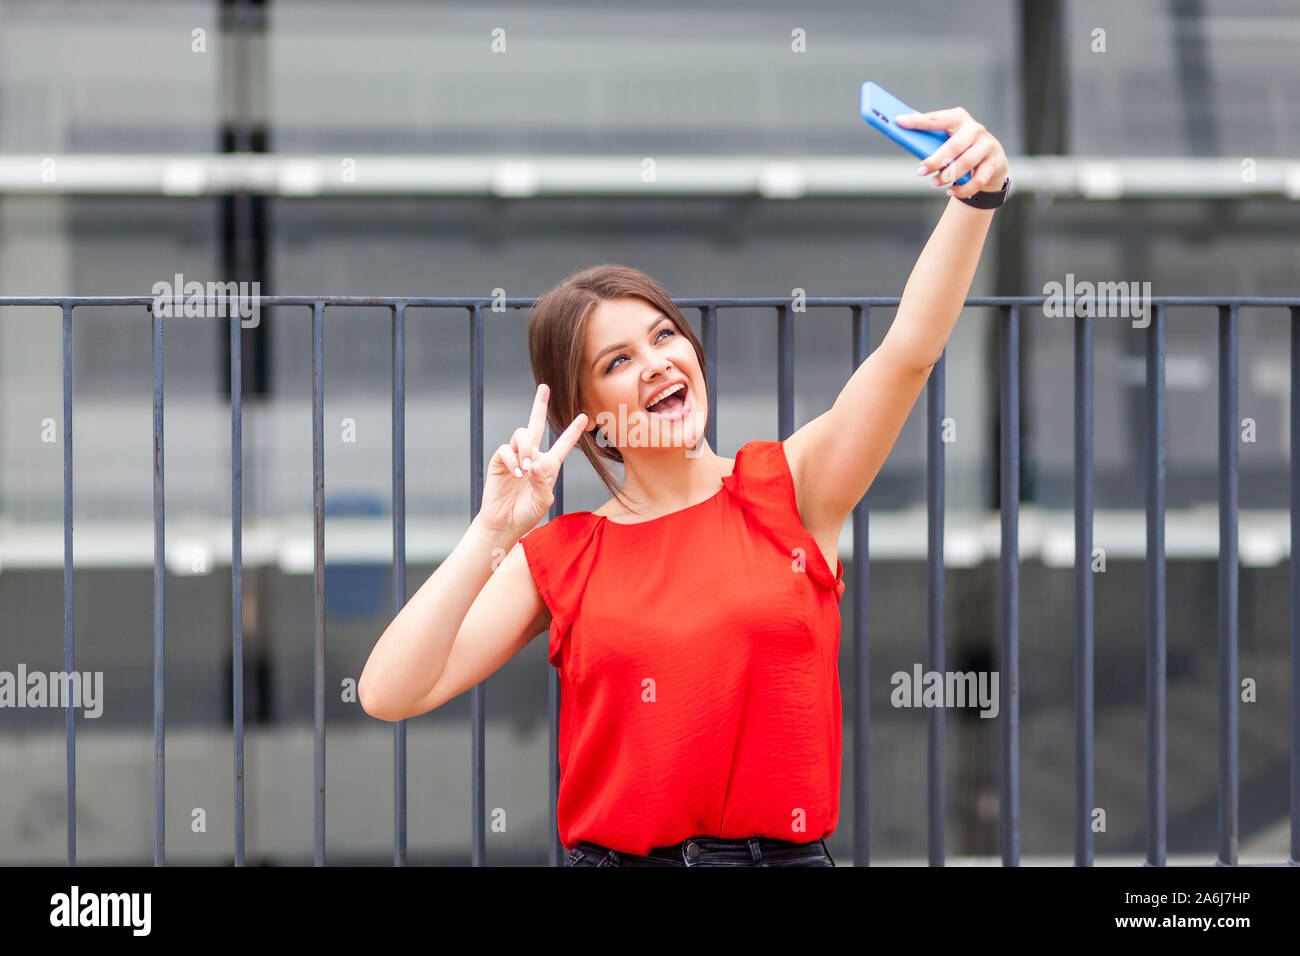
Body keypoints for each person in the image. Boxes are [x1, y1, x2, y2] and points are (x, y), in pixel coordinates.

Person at [359, 106, 1010, 867]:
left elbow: (908, 353)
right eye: (617, 362)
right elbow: (388, 692)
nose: (658, 362)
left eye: (664, 336)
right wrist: (490, 533)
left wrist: (976, 201)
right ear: (591, 421)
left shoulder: (788, 487)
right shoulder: (563, 557)